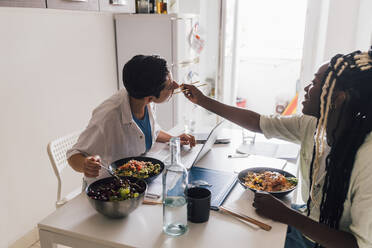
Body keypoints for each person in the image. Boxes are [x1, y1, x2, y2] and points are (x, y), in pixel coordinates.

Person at [181, 48, 372, 248]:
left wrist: (287, 215)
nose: (307, 88)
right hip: (308, 218)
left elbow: (359, 245)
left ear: (337, 99)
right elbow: (257, 122)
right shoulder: (312, 125)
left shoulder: (366, 158)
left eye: (315, 83)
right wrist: (202, 100)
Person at [67, 55, 195, 184]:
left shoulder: (144, 100)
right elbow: (74, 154)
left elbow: (149, 131)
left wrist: (174, 139)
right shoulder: (108, 117)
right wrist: (85, 164)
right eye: (169, 86)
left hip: (138, 181)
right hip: (109, 186)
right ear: (150, 97)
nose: (176, 86)